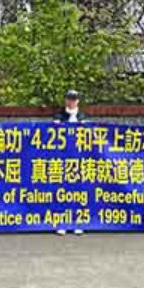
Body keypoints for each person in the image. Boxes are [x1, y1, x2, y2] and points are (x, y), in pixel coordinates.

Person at [53, 90, 86, 236]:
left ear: (78, 101)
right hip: (62, 158)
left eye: (74, 99)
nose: (71, 102)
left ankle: (77, 223)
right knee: (62, 192)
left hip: (79, 159)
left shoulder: (82, 116)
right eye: (69, 99)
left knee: (78, 192)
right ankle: (62, 223)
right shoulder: (59, 115)